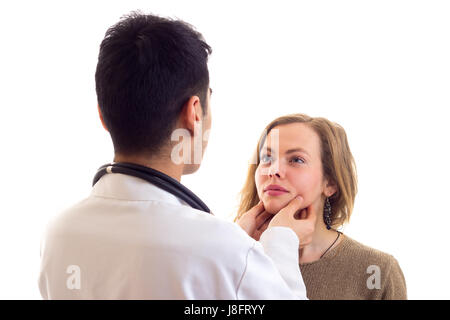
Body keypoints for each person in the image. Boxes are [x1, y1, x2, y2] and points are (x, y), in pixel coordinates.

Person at [38, 12, 317, 299]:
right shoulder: (224, 249)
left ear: (102, 115)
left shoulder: (58, 234)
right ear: (194, 112)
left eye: (296, 159)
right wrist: (279, 242)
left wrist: (231, 248)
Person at [234, 113, 407, 299]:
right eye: (266, 158)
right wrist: (232, 250)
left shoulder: (377, 270)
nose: (273, 170)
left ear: (330, 183)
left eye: (296, 160)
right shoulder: (235, 254)